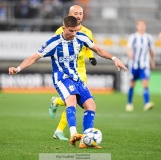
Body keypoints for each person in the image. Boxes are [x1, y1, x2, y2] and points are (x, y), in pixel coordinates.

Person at [8, 16, 127, 148]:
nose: (73, 34)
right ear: (64, 28)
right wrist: (17, 68)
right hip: (61, 78)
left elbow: (98, 50)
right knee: (72, 100)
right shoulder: (53, 43)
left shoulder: (81, 37)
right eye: (71, 31)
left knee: (91, 105)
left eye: (75, 30)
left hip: (76, 77)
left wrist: (114, 58)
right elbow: (33, 58)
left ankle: (87, 140)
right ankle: (73, 133)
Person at [49, 5, 97, 141]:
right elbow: (56, 47)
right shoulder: (61, 30)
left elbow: (88, 47)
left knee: (77, 100)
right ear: (70, 14)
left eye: (80, 13)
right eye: (75, 13)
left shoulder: (87, 32)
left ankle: (56, 104)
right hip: (66, 70)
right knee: (72, 100)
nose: (78, 15)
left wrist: (91, 57)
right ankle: (60, 130)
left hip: (80, 69)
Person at [125, 20, 155, 112]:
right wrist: (130, 53)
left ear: (145, 27)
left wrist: (152, 61)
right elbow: (128, 48)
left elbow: (151, 50)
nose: (141, 27)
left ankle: (147, 103)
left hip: (144, 65)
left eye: (143, 25)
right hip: (134, 65)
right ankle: (129, 103)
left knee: (145, 84)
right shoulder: (133, 37)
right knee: (132, 85)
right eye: (140, 25)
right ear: (137, 27)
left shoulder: (149, 38)